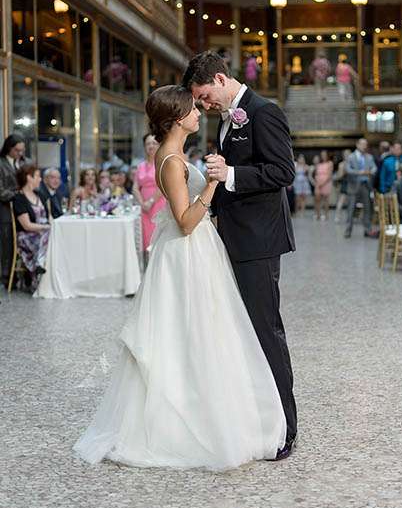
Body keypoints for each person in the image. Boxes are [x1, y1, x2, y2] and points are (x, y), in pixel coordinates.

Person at [74, 85, 285, 470]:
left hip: (200, 252)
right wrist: (213, 183)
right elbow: (186, 222)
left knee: (203, 334)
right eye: (192, 109)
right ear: (176, 119)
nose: (199, 113)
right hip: (185, 253)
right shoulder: (170, 162)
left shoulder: (177, 156)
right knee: (188, 334)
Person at [185, 51, 298, 460]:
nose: (203, 105)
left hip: (259, 241)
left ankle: (287, 425)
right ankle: (258, 416)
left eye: (203, 96)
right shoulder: (227, 116)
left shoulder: (263, 112)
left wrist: (229, 174)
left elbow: (283, 172)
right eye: (199, 101)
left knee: (266, 331)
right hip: (234, 236)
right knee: (245, 332)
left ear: (219, 78)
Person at [13, 164, 51, 291]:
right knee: (49, 236)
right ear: (29, 177)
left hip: (43, 234)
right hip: (27, 236)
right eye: (38, 176)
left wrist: (50, 227)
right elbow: (27, 225)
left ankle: (43, 269)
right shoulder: (19, 198)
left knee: (54, 236)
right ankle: (39, 265)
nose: (40, 179)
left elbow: (49, 217)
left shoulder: (40, 196)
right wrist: (47, 227)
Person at [132, 134, 167, 250]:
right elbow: (135, 187)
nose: (151, 146)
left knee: (157, 236)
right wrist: (143, 203)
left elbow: (163, 185)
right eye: (148, 144)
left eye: (154, 143)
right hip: (144, 208)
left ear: (159, 145)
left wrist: (151, 201)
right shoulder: (140, 166)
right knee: (146, 238)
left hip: (158, 204)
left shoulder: (162, 163)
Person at [0, 134, 26, 281]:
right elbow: (1, 190)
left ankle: (25, 274)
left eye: (22, 150)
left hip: (22, 209)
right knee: (7, 243)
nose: (20, 153)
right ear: (9, 148)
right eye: (17, 150)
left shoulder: (23, 163)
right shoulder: (1, 163)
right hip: (6, 209)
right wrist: (16, 194)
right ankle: (7, 276)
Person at [345, 138, 377, 238]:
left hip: (366, 186)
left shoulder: (369, 157)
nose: (364, 146)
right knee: (351, 209)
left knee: (367, 209)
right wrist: (360, 172)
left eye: (365, 144)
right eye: (362, 144)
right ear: (357, 145)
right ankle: (348, 230)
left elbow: (374, 168)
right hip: (353, 186)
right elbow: (348, 170)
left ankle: (367, 230)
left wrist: (371, 171)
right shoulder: (350, 157)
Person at [311, 150, 334, 221]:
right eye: (322, 155)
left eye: (324, 154)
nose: (323, 156)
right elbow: (315, 173)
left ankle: (326, 215)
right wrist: (316, 182)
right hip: (318, 183)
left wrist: (323, 183)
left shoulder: (330, 163)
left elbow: (330, 175)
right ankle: (318, 214)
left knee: (326, 200)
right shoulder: (319, 164)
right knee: (317, 199)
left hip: (326, 182)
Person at [333, 151, 349, 223]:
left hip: (351, 184)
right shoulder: (342, 164)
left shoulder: (352, 163)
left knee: (350, 202)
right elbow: (339, 176)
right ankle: (337, 217)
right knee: (341, 201)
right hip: (345, 183)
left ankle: (348, 217)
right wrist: (344, 173)